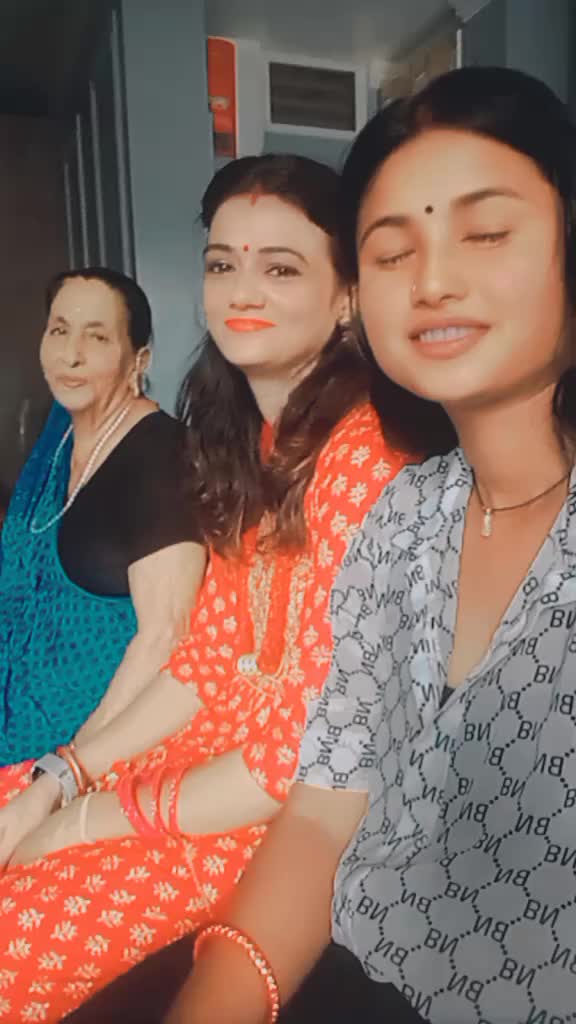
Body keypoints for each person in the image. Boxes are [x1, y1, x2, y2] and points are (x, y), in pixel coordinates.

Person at [165, 67, 576, 1024]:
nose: (432, 281)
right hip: (350, 971)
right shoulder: (408, 517)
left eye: (486, 233)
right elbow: (322, 809)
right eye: (393, 252)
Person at [0, 155, 410, 1022]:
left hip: (259, 816)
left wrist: (84, 821)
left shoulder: (366, 457)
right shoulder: (252, 444)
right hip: (192, 761)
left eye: (281, 268)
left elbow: (294, 757)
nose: (240, 290)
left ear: (346, 297)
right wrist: (61, 776)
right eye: (223, 264)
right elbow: (204, 659)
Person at [0, 267, 205, 772]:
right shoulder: (58, 438)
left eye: (96, 337)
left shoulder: (161, 457)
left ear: (140, 359)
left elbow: (166, 636)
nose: (70, 355)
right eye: (59, 330)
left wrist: (66, 774)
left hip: (82, 760)